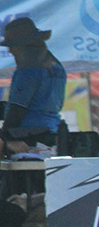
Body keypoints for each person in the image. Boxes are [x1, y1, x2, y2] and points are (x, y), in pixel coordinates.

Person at [0, 17, 67, 157]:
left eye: (13, 45)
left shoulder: (28, 71)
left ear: (24, 45)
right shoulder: (57, 66)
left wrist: (6, 139)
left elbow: (18, 109)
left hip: (27, 139)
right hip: (52, 133)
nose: (11, 51)